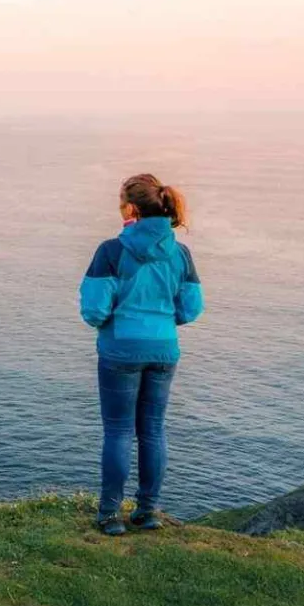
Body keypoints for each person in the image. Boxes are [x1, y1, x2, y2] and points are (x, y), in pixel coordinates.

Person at [79, 174, 203, 536]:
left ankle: (109, 515)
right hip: (164, 349)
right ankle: (147, 511)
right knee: (153, 430)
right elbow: (191, 308)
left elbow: (94, 311)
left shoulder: (111, 251)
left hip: (120, 349)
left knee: (118, 432)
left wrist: (117, 319)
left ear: (131, 209)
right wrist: (163, 320)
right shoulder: (180, 253)